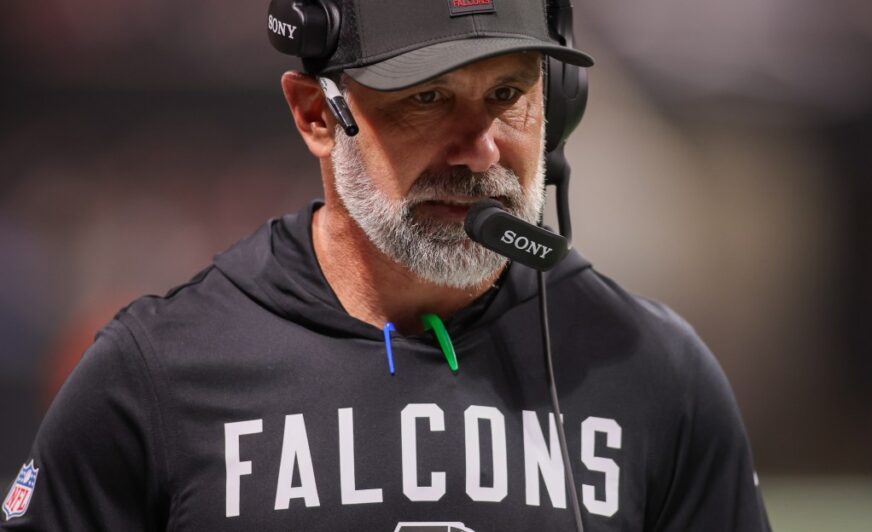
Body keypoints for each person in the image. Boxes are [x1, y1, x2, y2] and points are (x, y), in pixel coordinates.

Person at [2, 1, 771, 530]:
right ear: (315, 114)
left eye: (508, 93)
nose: (480, 151)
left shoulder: (653, 372)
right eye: (428, 100)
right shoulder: (155, 376)